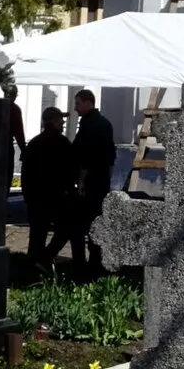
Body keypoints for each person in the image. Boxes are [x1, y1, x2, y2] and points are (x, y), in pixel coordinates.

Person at [69, 88, 118, 273]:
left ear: (88, 102)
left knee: (80, 225)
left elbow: (86, 156)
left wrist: (81, 181)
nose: (76, 108)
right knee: (97, 223)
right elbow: (111, 156)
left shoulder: (90, 125)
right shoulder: (105, 123)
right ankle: (97, 262)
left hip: (89, 183)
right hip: (102, 181)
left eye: (78, 104)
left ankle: (83, 265)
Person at [22, 106, 74, 269]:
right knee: (65, 229)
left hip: (37, 196)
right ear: (51, 121)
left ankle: (33, 264)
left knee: (37, 233)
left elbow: (26, 172)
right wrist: (70, 191)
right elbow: (69, 170)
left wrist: (27, 194)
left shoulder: (35, 143)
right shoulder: (62, 143)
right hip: (56, 196)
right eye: (60, 120)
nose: (63, 124)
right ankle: (44, 258)